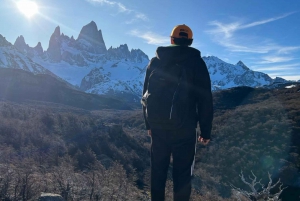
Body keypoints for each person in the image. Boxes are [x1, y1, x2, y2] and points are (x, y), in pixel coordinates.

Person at [142, 24, 213, 201]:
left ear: (171, 39)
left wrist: (148, 124)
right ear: (190, 42)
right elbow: (205, 99)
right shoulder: (197, 63)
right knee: (182, 176)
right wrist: (205, 131)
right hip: (185, 129)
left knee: (157, 172)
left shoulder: (156, 61)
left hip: (158, 127)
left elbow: (145, 95)